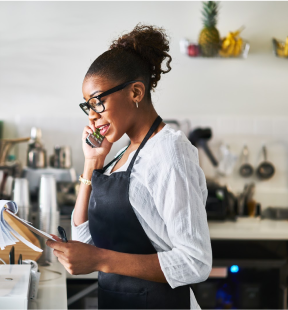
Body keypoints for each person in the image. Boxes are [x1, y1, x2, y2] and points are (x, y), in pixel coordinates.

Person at [46, 24, 212, 310]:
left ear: (135, 92)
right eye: (88, 107)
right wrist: (91, 162)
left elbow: (195, 262)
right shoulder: (121, 153)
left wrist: (99, 260)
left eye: (98, 102)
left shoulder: (170, 151)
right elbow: (84, 238)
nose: (93, 117)